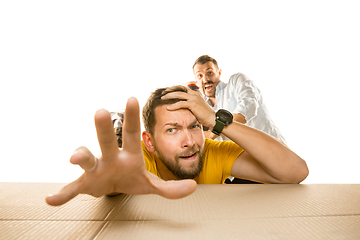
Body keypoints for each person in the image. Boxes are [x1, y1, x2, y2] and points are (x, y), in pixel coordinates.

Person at [46, 85, 308, 206]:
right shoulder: (140, 159)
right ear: (149, 142)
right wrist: (112, 188)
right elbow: (121, 178)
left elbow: (296, 172)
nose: (190, 141)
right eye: (172, 130)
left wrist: (216, 121)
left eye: (194, 126)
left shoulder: (211, 150)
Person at [192, 55, 286, 143]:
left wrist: (215, 132)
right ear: (196, 81)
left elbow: (248, 108)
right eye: (200, 76)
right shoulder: (203, 108)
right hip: (242, 158)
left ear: (219, 73)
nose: (205, 79)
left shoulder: (236, 81)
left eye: (210, 73)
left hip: (271, 148)